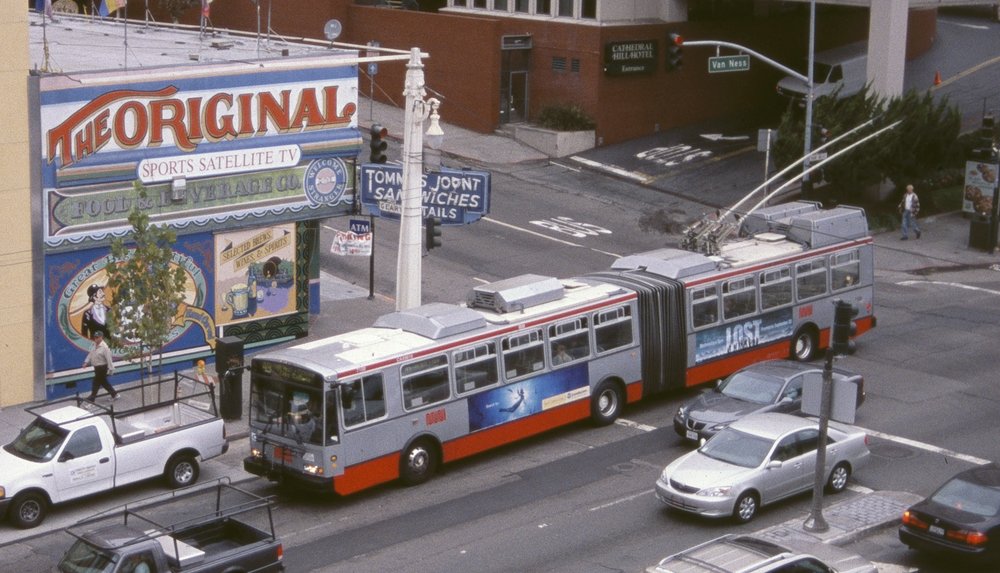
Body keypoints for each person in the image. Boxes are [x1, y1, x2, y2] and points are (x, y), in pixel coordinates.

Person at [82, 331, 118, 401]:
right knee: (104, 382)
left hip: (102, 367)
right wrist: (86, 362)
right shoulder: (94, 345)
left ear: (101, 337)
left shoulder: (105, 347)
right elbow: (91, 354)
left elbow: (109, 359)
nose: (95, 339)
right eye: (95, 337)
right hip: (96, 367)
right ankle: (114, 394)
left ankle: (92, 398)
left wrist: (111, 369)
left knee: (96, 382)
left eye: (97, 337)